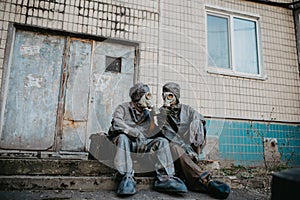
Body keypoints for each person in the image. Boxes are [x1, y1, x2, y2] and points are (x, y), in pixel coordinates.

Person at [152, 82, 230, 199]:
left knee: (197, 122)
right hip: (176, 146)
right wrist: (163, 114)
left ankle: (194, 161)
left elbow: (200, 119)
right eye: (164, 95)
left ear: (176, 95)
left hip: (190, 144)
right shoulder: (162, 112)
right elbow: (167, 132)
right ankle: (205, 181)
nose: (167, 98)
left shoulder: (187, 109)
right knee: (175, 147)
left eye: (170, 95)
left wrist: (193, 130)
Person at [107, 82, 187, 197]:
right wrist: (134, 132)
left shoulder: (147, 113)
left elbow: (155, 132)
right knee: (123, 138)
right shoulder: (123, 108)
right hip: (126, 145)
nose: (149, 98)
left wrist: (156, 114)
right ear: (137, 97)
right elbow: (116, 123)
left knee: (162, 141)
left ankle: (165, 178)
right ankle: (126, 177)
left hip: (142, 146)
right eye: (146, 95)